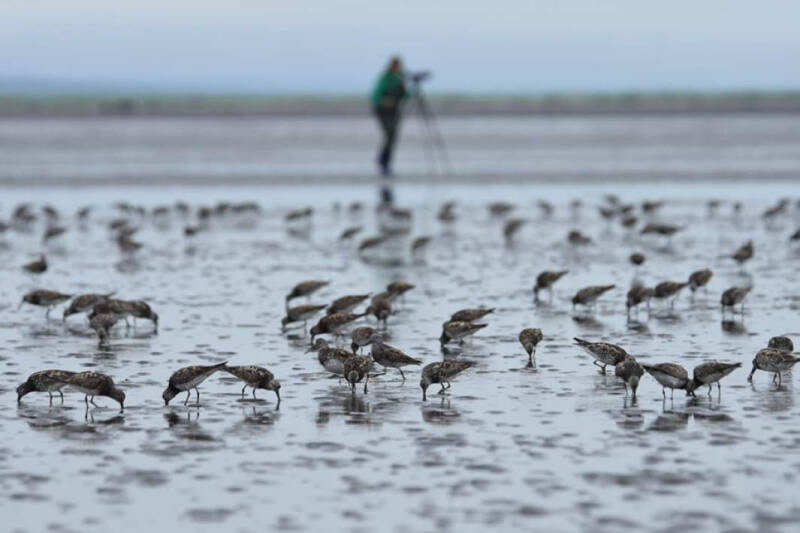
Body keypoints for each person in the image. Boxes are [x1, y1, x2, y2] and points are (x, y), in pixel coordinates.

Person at [371, 56, 407, 200]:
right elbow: (377, 95)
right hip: (383, 111)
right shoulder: (385, 78)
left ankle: (385, 162)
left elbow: (405, 96)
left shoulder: (399, 79)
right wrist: (384, 101)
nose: (399, 68)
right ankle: (383, 161)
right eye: (397, 65)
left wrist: (403, 88)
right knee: (389, 134)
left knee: (393, 136)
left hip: (394, 111)